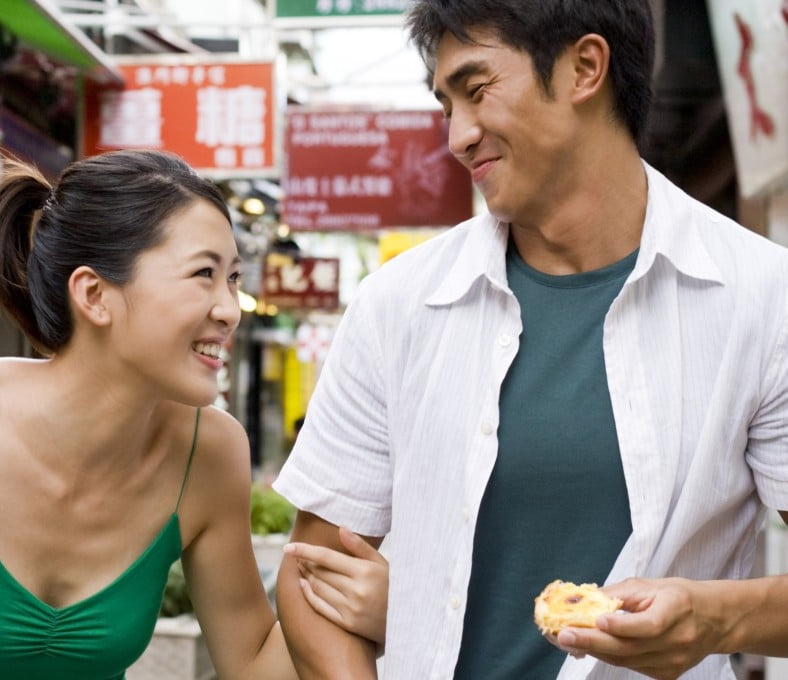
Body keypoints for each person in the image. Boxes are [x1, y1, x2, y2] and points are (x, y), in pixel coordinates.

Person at [274, 1, 788, 679]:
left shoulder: (762, 299)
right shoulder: (397, 306)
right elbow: (312, 579)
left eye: (477, 89)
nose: (457, 136)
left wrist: (717, 618)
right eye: (444, 105)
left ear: (584, 68)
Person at [0, 149, 387, 679]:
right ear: (94, 294)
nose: (230, 310)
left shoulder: (211, 451)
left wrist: (372, 607)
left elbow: (252, 662)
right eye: (204, 275)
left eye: (233, 279)